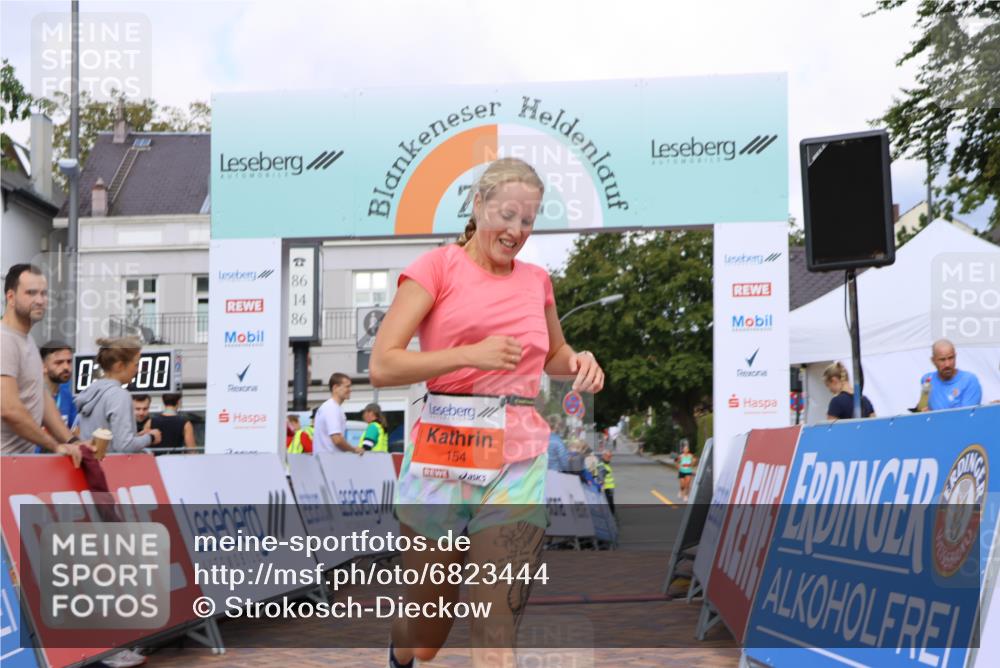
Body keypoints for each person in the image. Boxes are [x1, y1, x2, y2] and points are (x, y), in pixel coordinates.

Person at [370, 157, 605, 668]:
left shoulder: (537, 281)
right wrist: (467, 355)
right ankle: (400, 652)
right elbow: (383, 365)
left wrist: (578, 361)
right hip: (441, 452)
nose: (517, 230)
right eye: (508, 215)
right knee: (426, 630)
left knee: (495, 620)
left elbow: (553, 356)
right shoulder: (437, 267)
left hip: (516, 458)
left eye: (528, 220)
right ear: (478, 205)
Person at [1, 264, 83, 465]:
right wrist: (55, 446)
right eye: (31, 293)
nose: (40, 300)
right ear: (10, 297)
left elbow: (41, 399)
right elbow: (8, 409)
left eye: (43, 293)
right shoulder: (4, 341)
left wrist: (72, 441)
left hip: (17, 465)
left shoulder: (26, 340)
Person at [75, 337, 161, 453]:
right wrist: (151, 437)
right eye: (136, 365)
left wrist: (136, 437)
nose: (138, 370)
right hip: (111, 468)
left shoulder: (90, 391)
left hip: (90, 465)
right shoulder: (119, 395)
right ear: (119, 366)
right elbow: (125, 446)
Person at [920, 339, 983, 411]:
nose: (947, 364)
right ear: (933, 360)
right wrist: (922, 412)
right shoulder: (927, 379)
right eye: (942, 359)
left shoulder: (969, 380)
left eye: (951, 358)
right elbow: (922, 408)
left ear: (955, 356)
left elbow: (967, 417)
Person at [313, 373, 362, 454]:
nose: (350, 390)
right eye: (347, 386)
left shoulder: (329, 407)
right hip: (330, 461)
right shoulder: (332, 408)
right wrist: (354, 450)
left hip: (326, 460)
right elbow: (337, 440)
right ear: (335, 387)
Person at [40, 340, 78, 433]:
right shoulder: (30, 395)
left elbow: (73, 431)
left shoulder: (67, 396)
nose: (66, 367)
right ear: (43, 366)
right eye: (59, 362)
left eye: (69, 362)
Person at [598, 450, 616, 516]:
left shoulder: (606, 464)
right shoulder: (602, 465)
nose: (610, 458)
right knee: (609, 504)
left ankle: (611, 515)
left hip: (609, 488)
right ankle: (611, 517)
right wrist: (601, 486)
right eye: (608, 456)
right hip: (606, 488)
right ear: (604, 456)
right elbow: (600, 477)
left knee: (610, 503)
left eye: (610, 456)